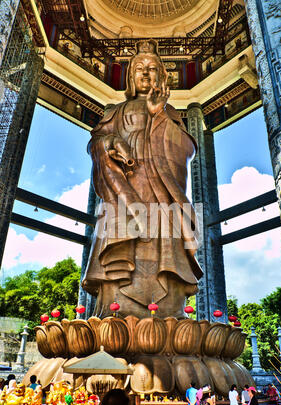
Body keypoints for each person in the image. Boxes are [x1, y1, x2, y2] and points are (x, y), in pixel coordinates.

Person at [81, 38, 203, 319]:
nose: (145, 74)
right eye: (139, 69)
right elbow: (95, 143)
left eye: (152, 69)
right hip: (123, 189)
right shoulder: (116, 111)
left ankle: (170, 312)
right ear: (130, 77)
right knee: (121, 249)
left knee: (164, 242)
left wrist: (157, 115)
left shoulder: (170, 114)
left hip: (161, 194)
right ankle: (114, 311)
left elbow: (185, 149)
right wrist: (108, 142)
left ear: (161, 77)